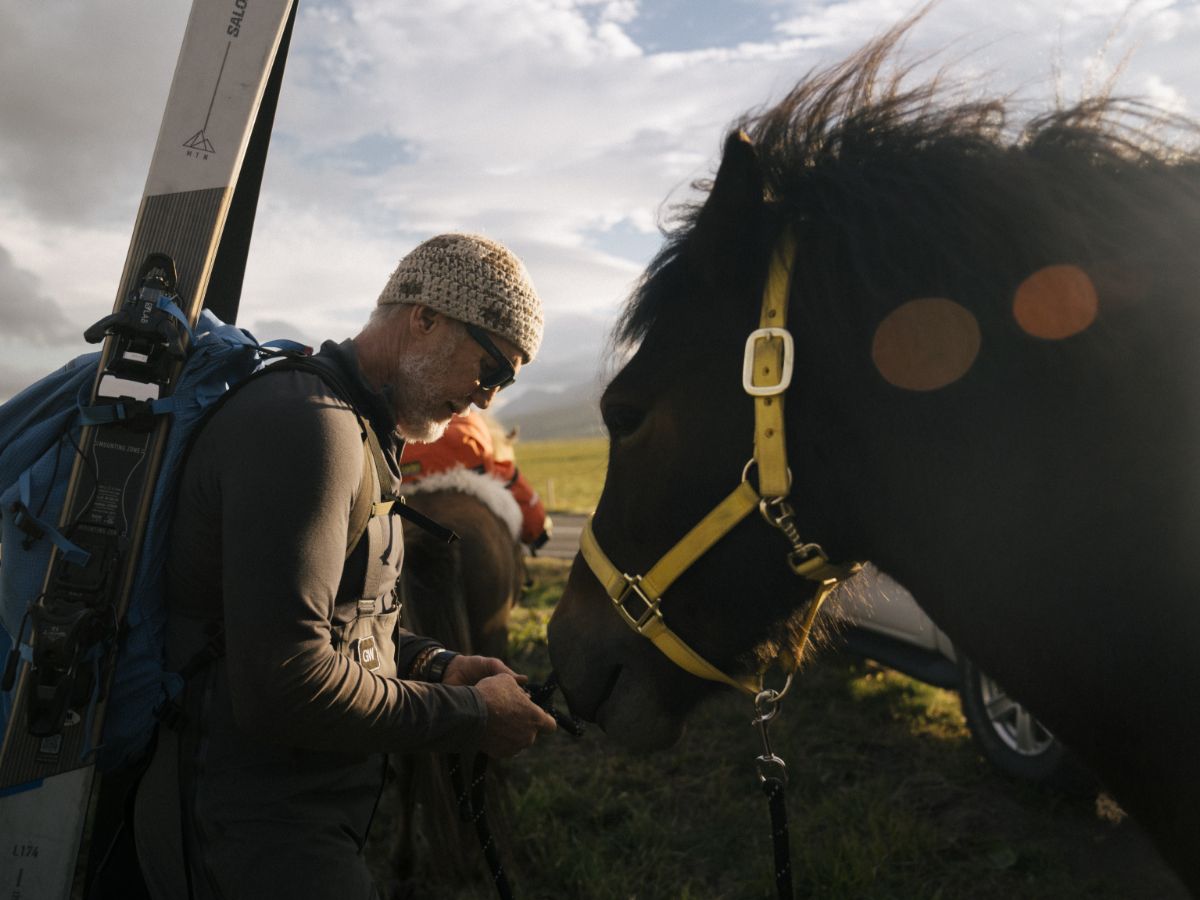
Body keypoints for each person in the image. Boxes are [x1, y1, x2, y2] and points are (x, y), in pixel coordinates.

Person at [133, 234, 557, 899]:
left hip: (294, 813)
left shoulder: (361, 428)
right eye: (492, 368)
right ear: (426, 317)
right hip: (248, 830)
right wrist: (471, 715)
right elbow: (286, 684)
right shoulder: (308, 426)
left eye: (503, 384)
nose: (485, 400)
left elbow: (333, 618)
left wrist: (432, 663)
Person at [401, 408, 552, 550]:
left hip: (407, 476)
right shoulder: (474, 423)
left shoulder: (414, 418)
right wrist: (539, 531)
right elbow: (515, 486)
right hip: (470, 462)